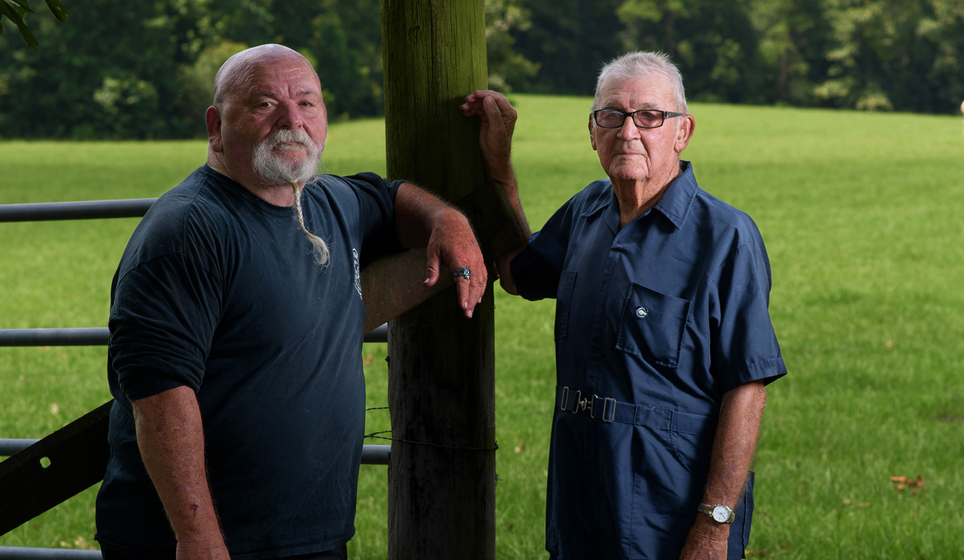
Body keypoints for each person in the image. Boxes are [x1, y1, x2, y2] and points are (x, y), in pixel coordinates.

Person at [95, 44, 487, 560]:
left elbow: (389, 198)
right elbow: (160, 400)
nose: (291, 121)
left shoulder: (327, 203)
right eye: (263, 104)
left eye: (307, 103)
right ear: (216, 124)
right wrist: (198, 540)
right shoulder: (189, 231)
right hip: (203, 543)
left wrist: (448, 221)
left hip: (310, 538)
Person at [462, 51, 786, 559]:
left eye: (650, 116)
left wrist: (714, 524)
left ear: (682, 131)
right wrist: (499, 165)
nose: (628, 131)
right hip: (580, 502)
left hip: (670, 512)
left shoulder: (725, 237)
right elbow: (515, 272)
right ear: (593, 132)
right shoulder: (585, 213)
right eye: (611, 115)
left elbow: (746, 389)